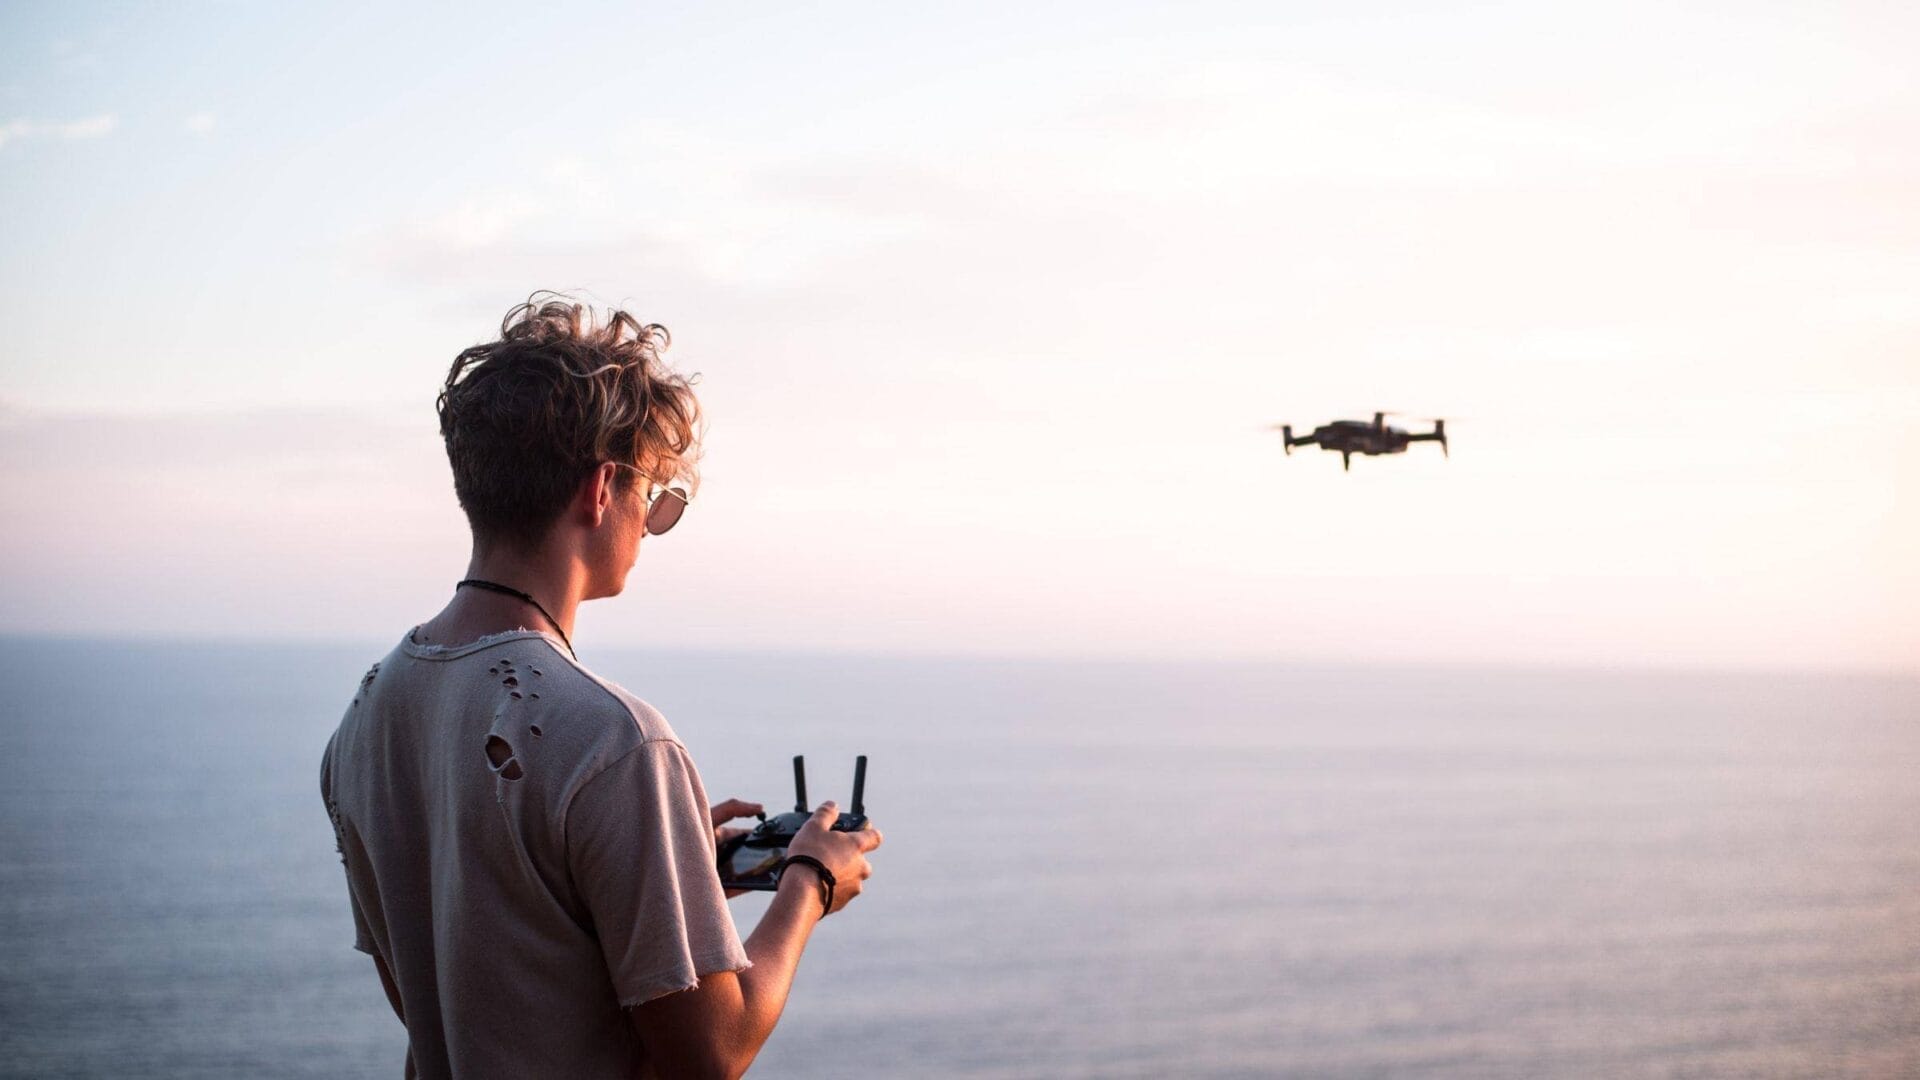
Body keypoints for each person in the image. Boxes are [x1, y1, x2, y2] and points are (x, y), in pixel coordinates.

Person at [320, 295, 882, 1079]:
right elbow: (712, 1052)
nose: (651, 526)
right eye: (655, 499)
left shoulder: (365, 716)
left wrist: (675, 874)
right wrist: (808, 881)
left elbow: (452, 987)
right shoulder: (618, 743)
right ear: (600, 489)